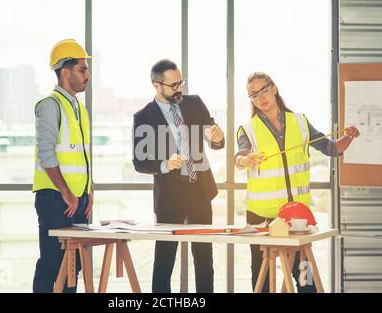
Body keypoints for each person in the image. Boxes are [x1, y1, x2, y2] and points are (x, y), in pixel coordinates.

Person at [235, 72, 360, 293]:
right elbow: (240, 156)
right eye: (254, 95)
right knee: (261, 277)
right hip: (261, 216)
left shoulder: (300, 122)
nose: (261, 97)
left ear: (274, 88)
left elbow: (331, 148)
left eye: (264, 90)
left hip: (296, 216)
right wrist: (245, 160)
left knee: (305, 275)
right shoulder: (248, 129)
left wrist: (349, 137)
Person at [132, 59, 225, 293]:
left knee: (204, 259)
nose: (179, 89)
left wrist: (218, 138)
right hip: (169, 196)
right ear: (156, 85)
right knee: (164, 259)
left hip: (199, 191)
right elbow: (139, 163)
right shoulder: (144, 117)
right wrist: (164, 164)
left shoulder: (195, 103)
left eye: (180, 82)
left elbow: (213, 138)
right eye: (173, 85)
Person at [32, 39, 94, 293]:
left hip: (77, 200)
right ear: (65, 71)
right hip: (55, 198)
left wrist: (89, 191)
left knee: (73, 265)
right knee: (52, 264)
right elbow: (46, 154)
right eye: (82, 69)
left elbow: (83, 156)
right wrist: (67, 193)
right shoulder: (50, 105)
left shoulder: (80, 108)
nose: (87, 75)